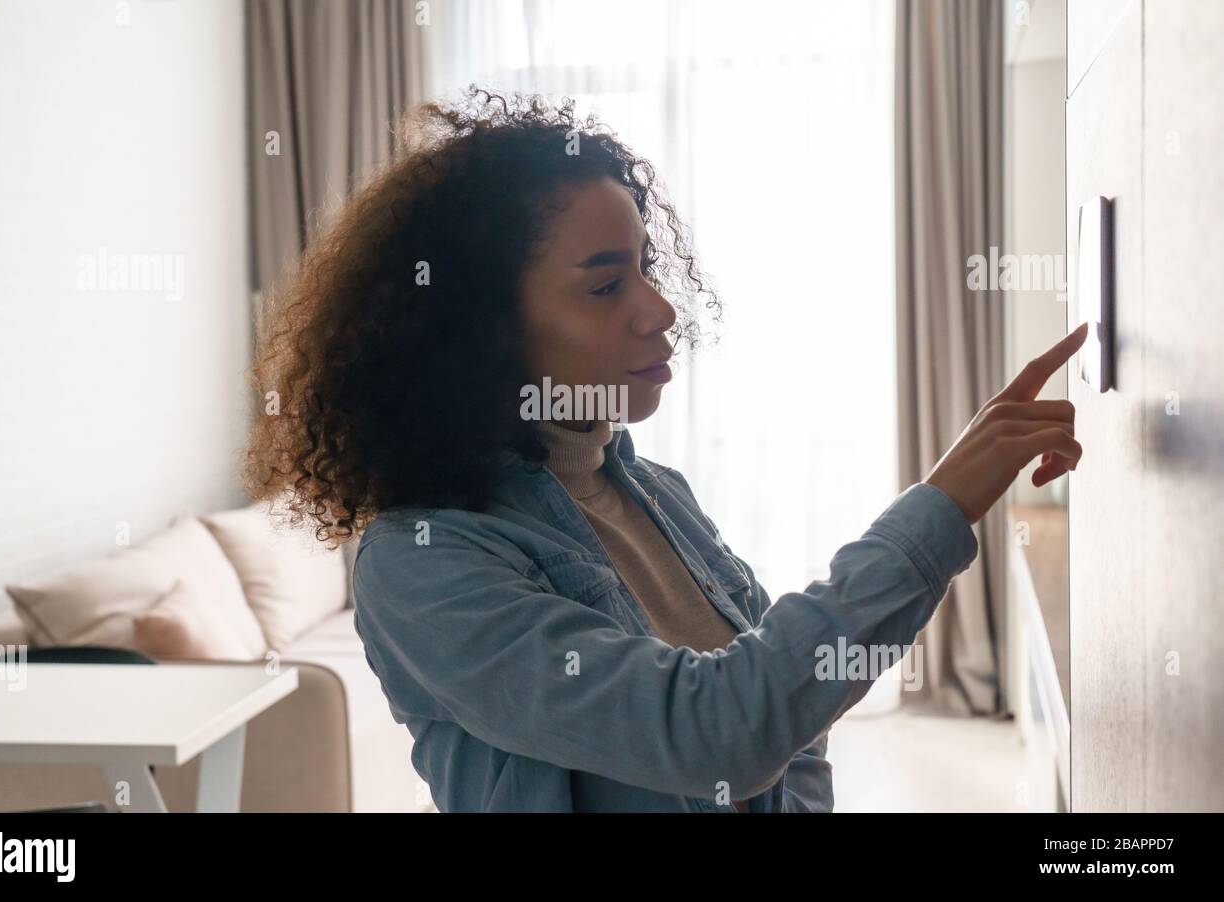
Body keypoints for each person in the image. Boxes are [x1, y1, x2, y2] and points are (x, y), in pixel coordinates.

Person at [242, 88, 1087, 812]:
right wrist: (939, 507)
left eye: (647, 269)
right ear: (481, 329)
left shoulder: (655, 492)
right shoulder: (424, 563)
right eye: (607, 285)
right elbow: (715, 730)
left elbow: (794, 716)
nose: (660, 311)